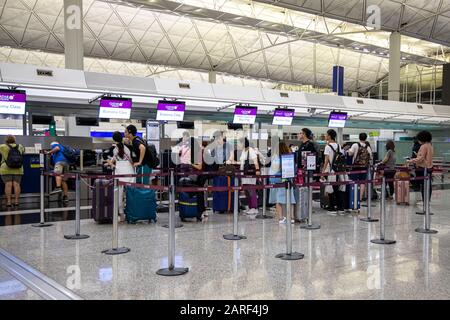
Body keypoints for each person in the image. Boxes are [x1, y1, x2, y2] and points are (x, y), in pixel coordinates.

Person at [106, 131, 135, 221]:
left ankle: (121, 215)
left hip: (119, 172)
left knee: (119, 194)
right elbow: (131, 160)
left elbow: (111, 161)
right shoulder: (127, 148)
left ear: (114, 139)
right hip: (129, 172)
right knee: (131, 193)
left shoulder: (114, 149)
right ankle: (132, 212)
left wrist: (112, 165)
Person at [269, 141, 296, 224]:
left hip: (278, 181)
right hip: (288, 180)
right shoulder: (289, 157)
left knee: (278, 200)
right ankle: (291, 218)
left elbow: (273, 170)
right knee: (290, 199)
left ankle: (281, 218)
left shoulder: (276, 157)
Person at [321, 129, 345, 214]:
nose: (325, 136)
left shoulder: (327, 147)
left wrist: (323, 172)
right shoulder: (339, 146)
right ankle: (340, 207)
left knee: (331, 188)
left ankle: (332, 207)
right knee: (338, 188)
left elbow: (326, 161)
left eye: (326, 134)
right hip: (339, 170)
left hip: (331, 170)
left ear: (330, 136)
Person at [407, 131, 434, 205]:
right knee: (428, 185)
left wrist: (410, 161)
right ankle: (427, 200)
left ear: (422, 138)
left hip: (423, 168)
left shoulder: (423, 146)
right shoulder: (430, 145)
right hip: (429, 167)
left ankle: (424, 201)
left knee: (423, 185)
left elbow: (421, 158)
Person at [0, 135, 25, 208]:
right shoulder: (20, 146)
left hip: (6, 168)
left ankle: (8, 202)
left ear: (6, 140)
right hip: (18, 169)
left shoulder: (2, 147)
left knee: (8, 185)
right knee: (17, 185)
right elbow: (23, 153)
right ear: (14, 140)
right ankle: (16, 201)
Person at [347, 133, 372, 201]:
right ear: (366, 138)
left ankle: (353, 196)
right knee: (362, 182)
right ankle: (360, 198)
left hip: (355, 166)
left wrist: (348, 150)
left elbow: (350, 153)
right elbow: (371, 157)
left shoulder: (355, 145)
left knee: (354, 181)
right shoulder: (368, 147)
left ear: (359, 137)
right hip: (364, 167)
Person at [239, 137, 260, 215]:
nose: (239, 145)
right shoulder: (243, 151)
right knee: (247, 191)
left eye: (240, 143)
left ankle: (254, 207)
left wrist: (257, 171)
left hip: (250, 173)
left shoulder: (250, 150)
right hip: (244, 174)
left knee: (251, 190)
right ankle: (250, 206)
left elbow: (255, 161)